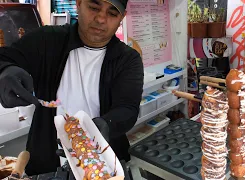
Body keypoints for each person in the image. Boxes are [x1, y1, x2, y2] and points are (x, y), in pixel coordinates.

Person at [0, 0, 143, 176]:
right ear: (79, 3)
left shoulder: (128, 59)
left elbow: (128, 107)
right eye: (94, 7)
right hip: (47, 160)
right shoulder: (46, 39)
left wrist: (106, 125)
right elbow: (6, 57)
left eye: (112, 13)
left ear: (122, 17)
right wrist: (5, 71)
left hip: (103, 159)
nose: (100, 18)